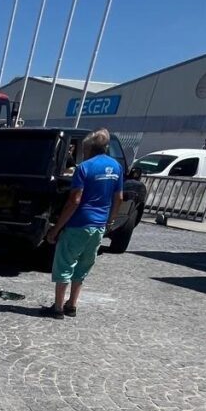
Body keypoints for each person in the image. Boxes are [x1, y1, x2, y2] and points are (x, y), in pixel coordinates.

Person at [43, 129, 124, 319]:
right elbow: (119, 197)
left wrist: (56, 229)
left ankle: (58, 308)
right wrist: (110, 220)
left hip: (79, 222)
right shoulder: (116, 167)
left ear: (89, 149)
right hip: (99, 225)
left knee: (65, 263)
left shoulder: (84, 168)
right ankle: (72, 305)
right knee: (84, 265)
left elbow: (75, 200)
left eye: (85, 149)